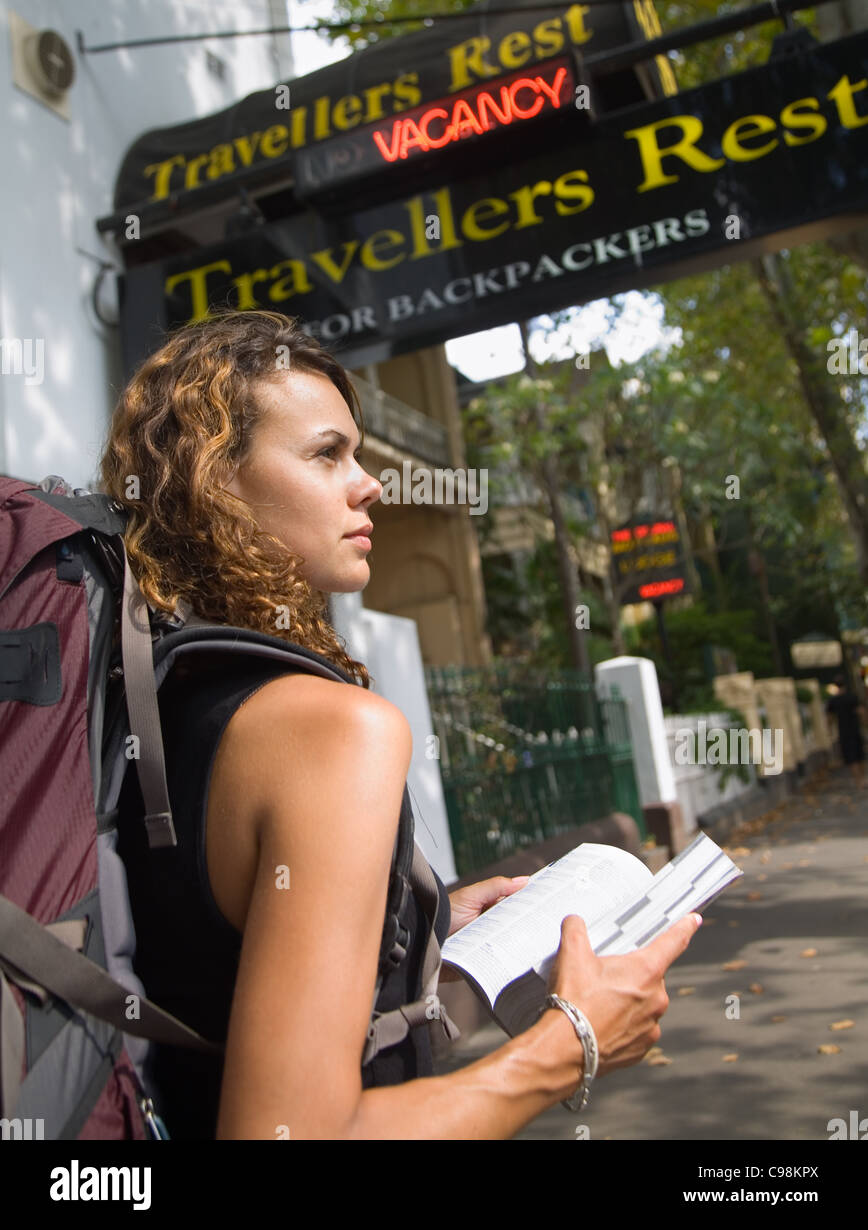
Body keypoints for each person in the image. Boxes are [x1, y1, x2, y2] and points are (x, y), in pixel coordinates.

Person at [104, 308, 700, 1140]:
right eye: (326, 454)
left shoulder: (144, 696)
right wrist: (572, 1044)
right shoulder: (332, 730)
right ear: (217, 480)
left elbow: (208, 946)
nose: (371, 482)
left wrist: (413, 918)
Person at [825, 673, 866, 788]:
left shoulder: (833, 700)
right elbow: (861, 712)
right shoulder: (852, 697)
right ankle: (863, 778)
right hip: (855, 729)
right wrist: (864, 723)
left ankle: (858, 781)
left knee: (850, 757)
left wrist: (829, 730)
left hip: (844, 732)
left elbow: (829, 718)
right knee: (860, 754)